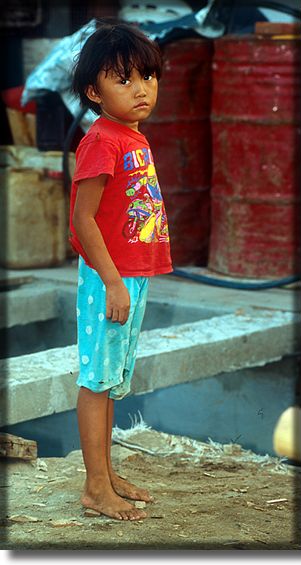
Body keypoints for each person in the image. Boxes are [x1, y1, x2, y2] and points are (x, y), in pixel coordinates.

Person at [69, 22, 173, 521]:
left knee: (111, 379)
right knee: (96, 380)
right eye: (125, 80)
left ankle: (106, 473)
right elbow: (82, 218)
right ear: (94, 92)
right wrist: (111, 280)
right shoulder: (102, 141)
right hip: (107, 278)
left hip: (129, 276)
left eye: (148, 78)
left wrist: (126, 279)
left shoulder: (131, 136)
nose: (142, 90)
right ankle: (94, 488)